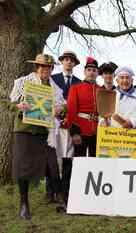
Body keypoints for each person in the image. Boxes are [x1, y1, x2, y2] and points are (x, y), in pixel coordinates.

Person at [9, 54, 65, 220]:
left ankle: (60, 198)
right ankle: (24, 203)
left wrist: (60, 110)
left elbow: (63, 109)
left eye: (48, 67)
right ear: (36, 67)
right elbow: (10, 104)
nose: (44, 70)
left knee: (53, 166)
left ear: (52, 69)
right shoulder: (22, 83)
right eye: (41, 66)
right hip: (26, 131)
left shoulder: (55, 88)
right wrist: (19, 107)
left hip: (46, 133)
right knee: (23, 168)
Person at [62, 57, 100, 205]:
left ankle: (93, 193)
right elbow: (72, 111)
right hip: (81, 130)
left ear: (97, 73)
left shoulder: (101, 90)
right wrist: (74, 132)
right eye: (89, 70)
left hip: (97, 130)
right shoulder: (76, 88)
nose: (91, 73)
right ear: (85, 71)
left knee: (96, 164)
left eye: (94, 70)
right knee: (78, 164)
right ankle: (75, 194)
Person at [49, 50, 81, 204]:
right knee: (52, 157)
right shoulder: (52, 79)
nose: (68, 62)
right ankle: (51, 191)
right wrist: (56, 117)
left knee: (68, 157)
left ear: (74, 63)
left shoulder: (79, 82)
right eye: (66, 59)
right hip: (54, 124)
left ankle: (66, 189)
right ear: (62, 62)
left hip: (70, 126)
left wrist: (69, 120)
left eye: (71, 60)